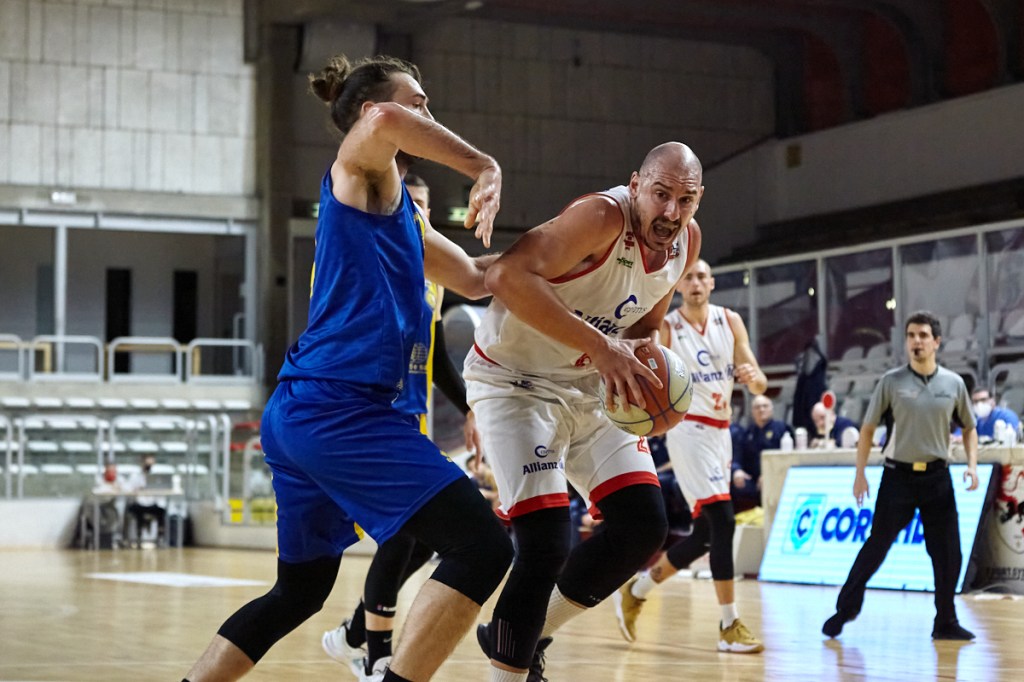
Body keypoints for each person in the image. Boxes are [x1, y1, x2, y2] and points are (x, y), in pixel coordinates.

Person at [184, 54, 514, 682]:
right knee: (482, 545)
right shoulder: (358, 172)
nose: (427, 114)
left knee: (300, 590)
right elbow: (389, 119)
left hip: (308, 411)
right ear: (370, 112)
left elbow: (478, 278)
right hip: (339, 408)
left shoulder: (405, 215)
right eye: (418, 102)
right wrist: (484, 165)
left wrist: (574, 254)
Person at [465, 142, 703, 681]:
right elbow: (505, 277)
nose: (671, 211)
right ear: (636, 186)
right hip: (514, 380)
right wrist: (601, 347)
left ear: (698, 200)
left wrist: (648, 371)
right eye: (661, 194)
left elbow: (644, 327)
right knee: (546, 542)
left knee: (643, 525)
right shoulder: (601, 217)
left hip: (591, 383)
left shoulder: (687, 241)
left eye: (685, 200)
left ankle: (524, 634)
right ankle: (511, 667)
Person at [320, 174, 487, 679]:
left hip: (411, 418)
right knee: (400, 536)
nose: (415, 212)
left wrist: (471, 408)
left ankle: (353, 633)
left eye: (423, 205)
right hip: (368, 416)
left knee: (427, 538)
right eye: (407, 202)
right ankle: (374, 657)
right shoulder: (363, 256)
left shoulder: (433, 273)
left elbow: (435, 360)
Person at [612, 259, 767, 653]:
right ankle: (729, 625)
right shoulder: (668, 327)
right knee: (724, 521)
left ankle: (637, 589)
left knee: (705, 535)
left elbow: (759, 381)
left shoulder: (730, 321)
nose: (696, 283)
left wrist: (754, 380)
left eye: (701, 277)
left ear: (712, 283)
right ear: (679, 286)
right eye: (689, 278)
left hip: (721, 432)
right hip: (687, 430)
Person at [822, 310, 980, 641]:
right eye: (911, 336)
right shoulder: (891, 382)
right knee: (876, 546)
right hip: (898, 478)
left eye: (923, 336)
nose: (916, 341)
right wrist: (860, 474)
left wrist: (972, 465)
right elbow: (867, 430)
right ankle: (845, 609)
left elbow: (969, 428)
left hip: (937, 477)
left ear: (936, 342)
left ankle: (945, 621)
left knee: (949, 553)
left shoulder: (953, 383)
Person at [733, 395, 791, 509]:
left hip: (776, 474)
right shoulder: (747, 432)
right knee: (735, 485)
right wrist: (736, 470)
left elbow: (787, 457)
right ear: (752, 411)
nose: (761, 409)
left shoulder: (782, 429)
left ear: (771, 409)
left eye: (765, 406)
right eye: (757, 407)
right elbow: (737, 456)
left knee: (769, 485)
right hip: (752, 478)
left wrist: (768, 474)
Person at [124, 453, 169, 545]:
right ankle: (139, 536)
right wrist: (136, 489)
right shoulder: (135, 476)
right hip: (139, 503)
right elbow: (127, 489)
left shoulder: (157, 477)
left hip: (152, 504)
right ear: (142, 463)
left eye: (151, 464)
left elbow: (161, 492)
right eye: (147, 463)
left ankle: (160, 537)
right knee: (138, 511)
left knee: (161, 511)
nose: (149, 466)